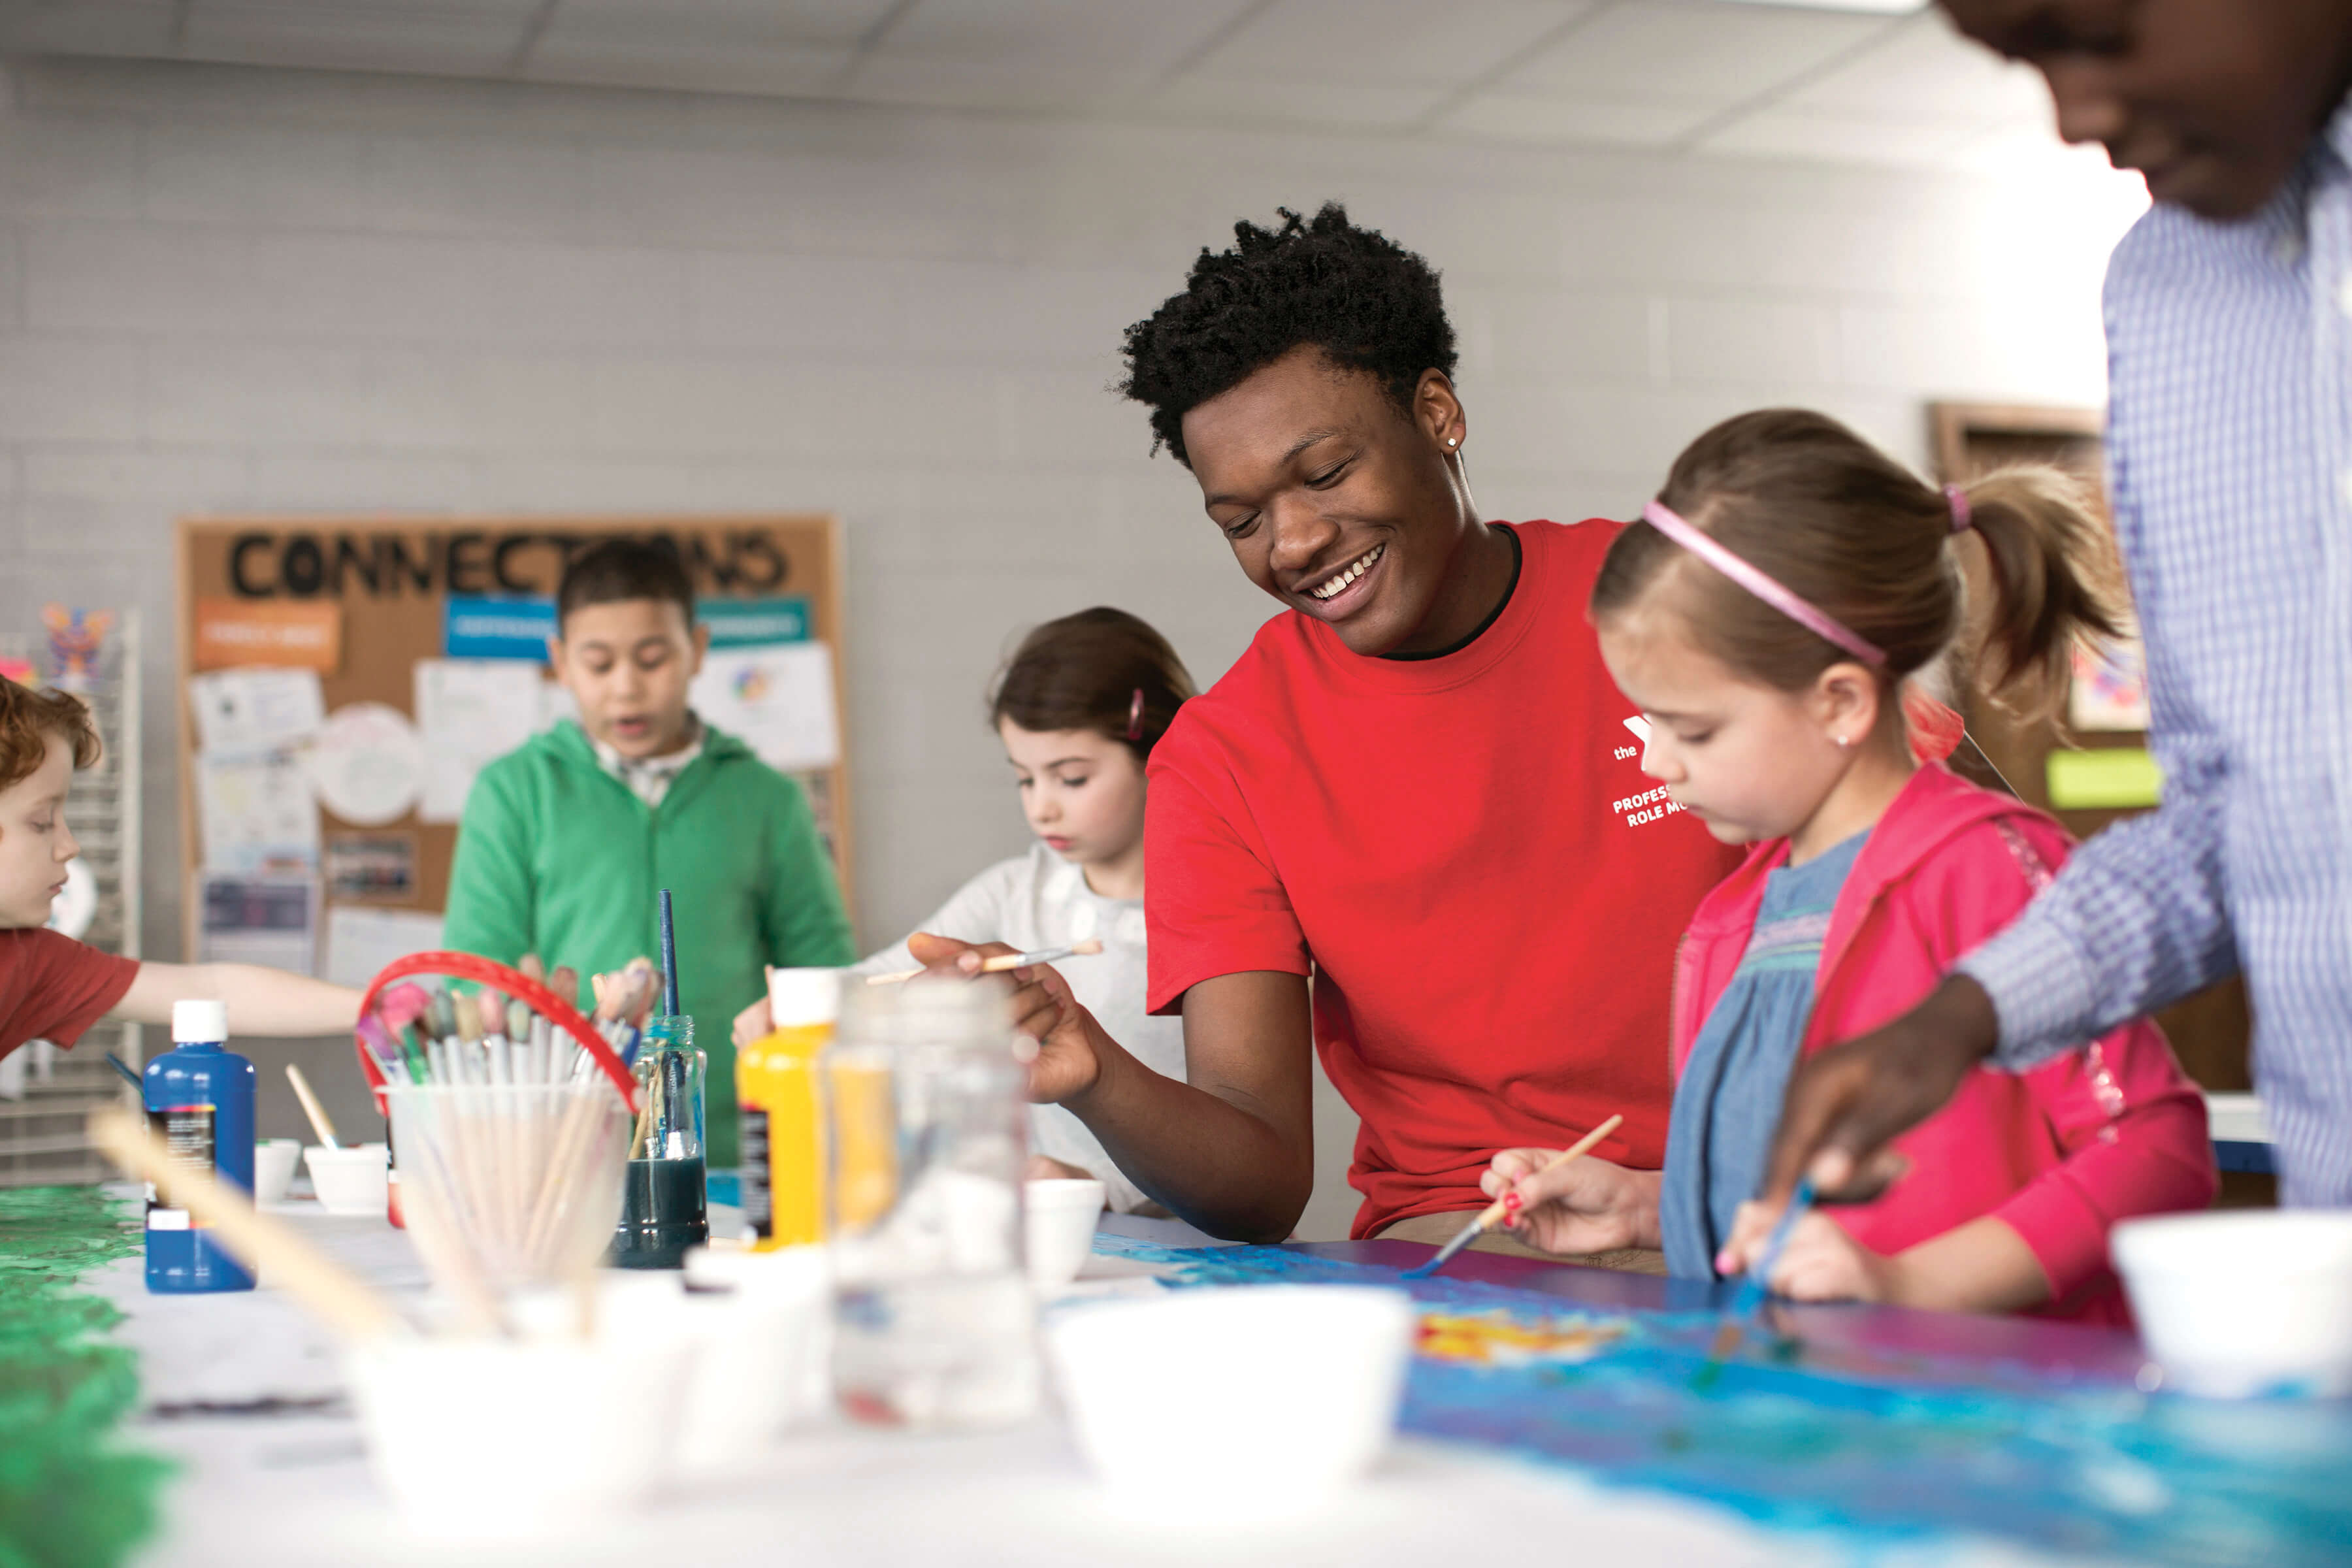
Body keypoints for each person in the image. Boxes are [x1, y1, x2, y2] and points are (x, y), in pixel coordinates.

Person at [916, 204, 1739, 1255]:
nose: (1295, 542)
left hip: (1770, 1190)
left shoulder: (1672, 599)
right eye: (1242, 521)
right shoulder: (1226, 758)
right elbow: (1259, 1181)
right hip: (1482, 1231)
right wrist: (1093, 1071)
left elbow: (1960, 854)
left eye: (1325, 473)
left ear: (1437, 412)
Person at [1759, 0, 2352, 1222]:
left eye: (2094, 30)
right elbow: (2234, 817)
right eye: (2023, 62)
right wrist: (1960, 1017)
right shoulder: (2172, 289)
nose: (2074, 114)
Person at [1480, 412, 2213, 1320]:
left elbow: (2157, 1149)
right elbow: (1788, 1211)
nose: (1658, 764)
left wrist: (1912, 1286)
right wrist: (1643, 1204)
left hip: (1979, 1419)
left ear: (1838, 702)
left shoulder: (1984, 869)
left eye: (1692, 730)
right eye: (1647, 724)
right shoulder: (1735, 914)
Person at [732, 606, 1196, 1214]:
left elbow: (1235, 1137)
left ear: (1156, 749)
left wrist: (1103, 1189)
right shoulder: (1013, 891)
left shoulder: (1215, 910)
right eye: (1025, 780)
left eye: (1072, 778)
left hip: (1193, 1238)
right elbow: (883, 977)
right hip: (1060, 1233)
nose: (1043, 809)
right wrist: (795, 1009)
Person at [444, 538, 854, 1169]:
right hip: (569, 1148)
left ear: (698, 650)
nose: (627, 688)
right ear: (559, 662)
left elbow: (823, 974)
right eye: (599, 664)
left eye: (654, 658)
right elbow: (476, 978)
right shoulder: (513, 792)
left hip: (736, 1147)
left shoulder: (767, 797)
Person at [0, 678, 359, 1058]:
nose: (69, 846)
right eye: (41, 822)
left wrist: (374, 1009)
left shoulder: (31, 963)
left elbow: (212, 993)